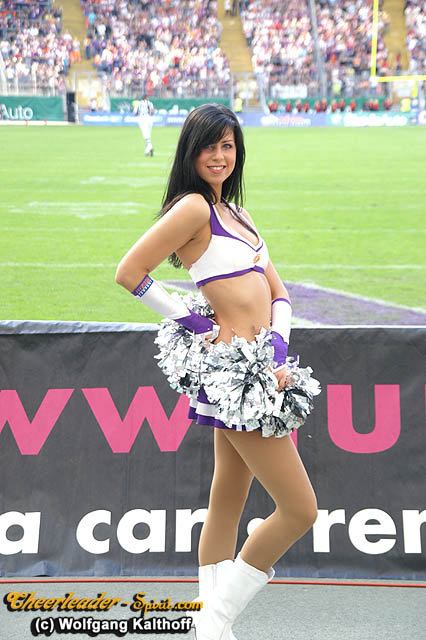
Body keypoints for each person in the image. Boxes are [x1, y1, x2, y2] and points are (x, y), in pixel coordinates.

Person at [115, 104, 319, 639]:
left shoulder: (239, 214)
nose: (219, 155)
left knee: (226, 499)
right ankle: (214, 620)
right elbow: (130, 272)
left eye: (228, 145)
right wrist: (198, 326)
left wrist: (277, 354)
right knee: (300, 511)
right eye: (209, 145)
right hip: (234, 378)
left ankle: (210, 625)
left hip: (260, 371)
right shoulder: (192, 208)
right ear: (191, 150)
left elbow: (280, 294)